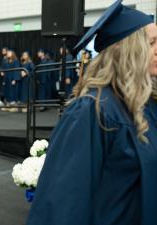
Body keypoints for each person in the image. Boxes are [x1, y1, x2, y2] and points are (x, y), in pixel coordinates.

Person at [26, 1, 157, 224]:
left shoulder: (148, 103)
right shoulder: (91, 111)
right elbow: (62, 204)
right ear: (126, 50)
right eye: (152, 42)